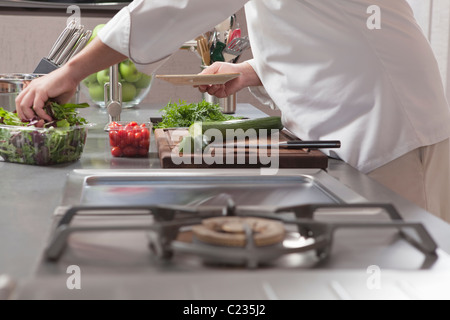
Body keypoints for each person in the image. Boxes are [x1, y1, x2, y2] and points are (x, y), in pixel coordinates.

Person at [15, 0, 450, 223]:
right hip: (369, 123)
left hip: (391, 130)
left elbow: (175, 7)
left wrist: (69, 72)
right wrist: (249, 70)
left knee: (401, 272)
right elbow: (323, 28)